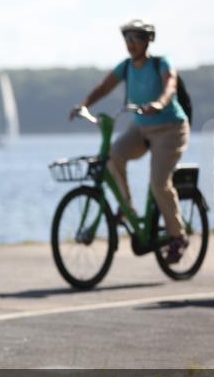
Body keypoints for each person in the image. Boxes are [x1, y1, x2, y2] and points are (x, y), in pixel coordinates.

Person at [71, 19, 191, 264]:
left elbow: (170, 84)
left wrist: (160, 103)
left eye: (135, 38)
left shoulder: (161, 63)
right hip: (141, 128)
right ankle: (127, 208)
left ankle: (178, 236)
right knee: (113, 155)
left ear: (147, 41)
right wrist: (83, 105)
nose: (130, 43)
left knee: (159, 183)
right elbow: (104, 87)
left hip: (170, 128)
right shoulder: (126, 67)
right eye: (127, 39)